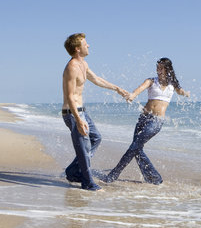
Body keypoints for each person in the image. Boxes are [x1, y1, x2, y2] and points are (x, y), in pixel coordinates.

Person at [104, 57, 190, 185]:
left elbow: (181, 92)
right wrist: (132, 96)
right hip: (143, 118)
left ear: (167, 69)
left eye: (161, 68)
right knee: (137, 149)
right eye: (157, 68)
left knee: (134, 147)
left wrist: (186, 93)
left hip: (156, 121)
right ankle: (153, 178)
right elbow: (138, 90)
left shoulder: (173, 85)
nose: (158, 70)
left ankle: (113, 174)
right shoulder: (151, 81)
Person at [62, 33, 129, 191]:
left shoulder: (83, 64)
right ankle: (87, 182)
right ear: (78, 49)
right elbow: (70, 96)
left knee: (96, 138)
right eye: (86, 44)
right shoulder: (71, 68)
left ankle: (73, 171)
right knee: (84, 148)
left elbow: (96, 79)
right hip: (73, 113)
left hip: (81, 111)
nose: (89, 45)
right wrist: (78, 121)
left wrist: (117, 88)